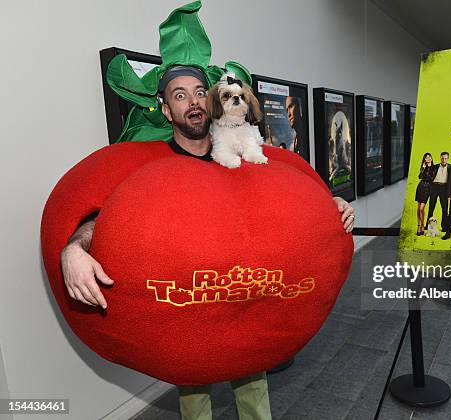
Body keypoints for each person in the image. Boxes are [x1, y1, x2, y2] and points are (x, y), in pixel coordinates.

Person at [60, 66, 356, 420]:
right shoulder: (149, 164)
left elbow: (293, 197)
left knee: (253, 383)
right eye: (180, 96)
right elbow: (102, 215)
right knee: (193, 389)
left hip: (250, 295)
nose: (193, 102)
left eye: (199, 92)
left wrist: (331, 206)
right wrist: (74, 248)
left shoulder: (246, 155)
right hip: (189, 306)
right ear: (167, 110)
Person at [427, 152, 450, 232]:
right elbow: (429, 176)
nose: (444, 160)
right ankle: (428, 225)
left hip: (444, 188)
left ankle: (444, 227)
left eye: (445, 158)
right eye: (442, 158)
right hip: (434, 187)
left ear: (448, 158)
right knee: (431, 207)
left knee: (444, 209)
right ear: (440, 158)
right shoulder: (435, 167)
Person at [415, 153, 436, 235]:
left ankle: (423, 225)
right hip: (420, 187)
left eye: (429, 157)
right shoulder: (423, 167)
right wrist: (423, 169)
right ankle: (419, 225)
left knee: (421, 209)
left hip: (427, 189)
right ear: (424, 159)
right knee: (418, 208)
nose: (428, 158)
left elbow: (432, 178)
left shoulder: (434, 167)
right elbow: (420, 177)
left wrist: (428, 168)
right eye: (426, 157)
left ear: (431, 158)